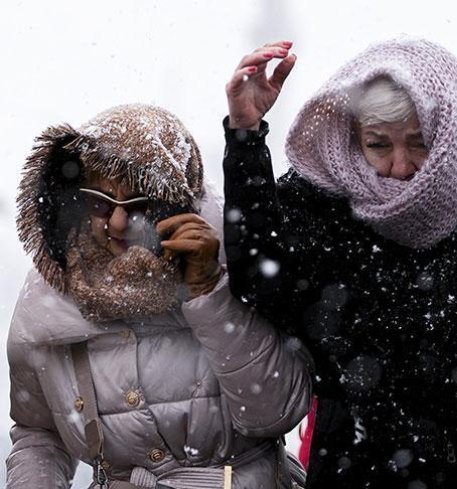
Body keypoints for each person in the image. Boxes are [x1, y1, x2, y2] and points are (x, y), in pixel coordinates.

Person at [222, 38, 457, 488]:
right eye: (378, 145)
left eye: (419, 143)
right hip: (362, 465)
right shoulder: (325, 197)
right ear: (354, 138)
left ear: (452, 128)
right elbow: (261, 281)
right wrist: (245, 136)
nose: (401, 167)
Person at [6, 104, 311, 488]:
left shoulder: (237, 264)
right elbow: (39, 434)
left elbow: (274, 414)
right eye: (99, 202)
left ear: (177, 201)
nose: (117, 222)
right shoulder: (49, 295)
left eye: (139, 205)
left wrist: (208, 291)